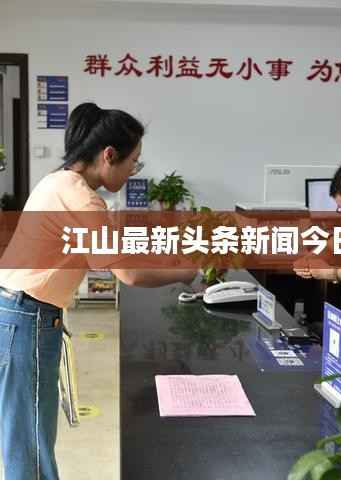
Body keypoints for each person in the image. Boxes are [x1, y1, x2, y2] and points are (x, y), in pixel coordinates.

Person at [0, 103, 196, 480]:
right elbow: (128, 273)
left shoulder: (61, 183)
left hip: (19, 313)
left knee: (27, 436)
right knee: (30, 443)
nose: (134, 170)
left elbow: (115, 252)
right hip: (26, 318)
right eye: (133, 162)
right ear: (109, 155)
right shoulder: (81, 198)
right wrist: (184, 272)